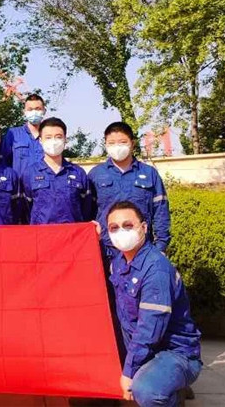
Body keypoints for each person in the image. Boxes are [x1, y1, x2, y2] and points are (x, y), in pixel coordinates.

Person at [104, 201, 201, 406]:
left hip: (174, 353)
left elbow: (150, 330)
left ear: (144, 227)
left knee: (146, 390)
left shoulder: (156, 269)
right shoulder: (118, 263)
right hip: (143, 350)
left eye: (128, 225)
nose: (121, 232)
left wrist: (129, 371)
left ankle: (171, 395)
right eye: (114, 228)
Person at [88, 122, 170, 259]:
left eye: (122, 142)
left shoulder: (149, 173)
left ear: (132, 143)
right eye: (111, 143)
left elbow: (160, 211)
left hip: (142, 249)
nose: (117, 147)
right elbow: (87, 214)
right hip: (107, 250)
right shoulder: (96, 174)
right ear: (106, 145)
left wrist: (160, 247)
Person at [21, 117, 92, 224]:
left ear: (65, 139)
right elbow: (25, 209)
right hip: (41, 233)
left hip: (72, 232)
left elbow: (86, 209)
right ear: (40, 141)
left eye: (58, 137)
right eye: (48, 137)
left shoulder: (78, 173)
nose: (53, 142)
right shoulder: (30, 173)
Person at [2, 93, 46, 175]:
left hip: (45, 182)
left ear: (44, 111)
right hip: (19, 182)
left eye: (38, 109)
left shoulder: (49, 136)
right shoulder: (13, 134)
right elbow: (4, 162)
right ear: (24, 112)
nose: (34, 112)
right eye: (30, 109)